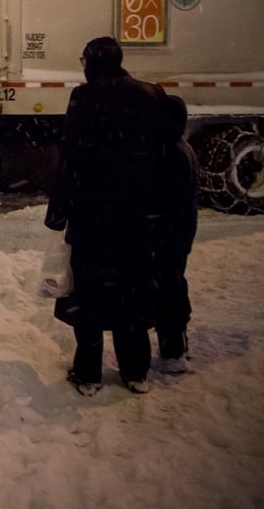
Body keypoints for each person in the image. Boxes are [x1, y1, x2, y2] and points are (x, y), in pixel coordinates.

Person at [45, 36, 170, 396]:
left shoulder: (84, 98)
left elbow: (69, 159)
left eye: (83, 59)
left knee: (89, 293)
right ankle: (135, 370)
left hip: (93, 216)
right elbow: (164, 155)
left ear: (92, 62)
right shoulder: (151, 94)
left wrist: (59, 212)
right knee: (133, 288)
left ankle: (88, 374)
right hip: (138, 215)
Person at [156, 94, 199, 373]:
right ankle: (176, 344)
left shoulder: (169, 154)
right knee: (172, 284)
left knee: (167, 288)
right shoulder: (182, 149)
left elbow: (163, 201)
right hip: (179, 234)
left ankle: (173, 352)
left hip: (167, 236)